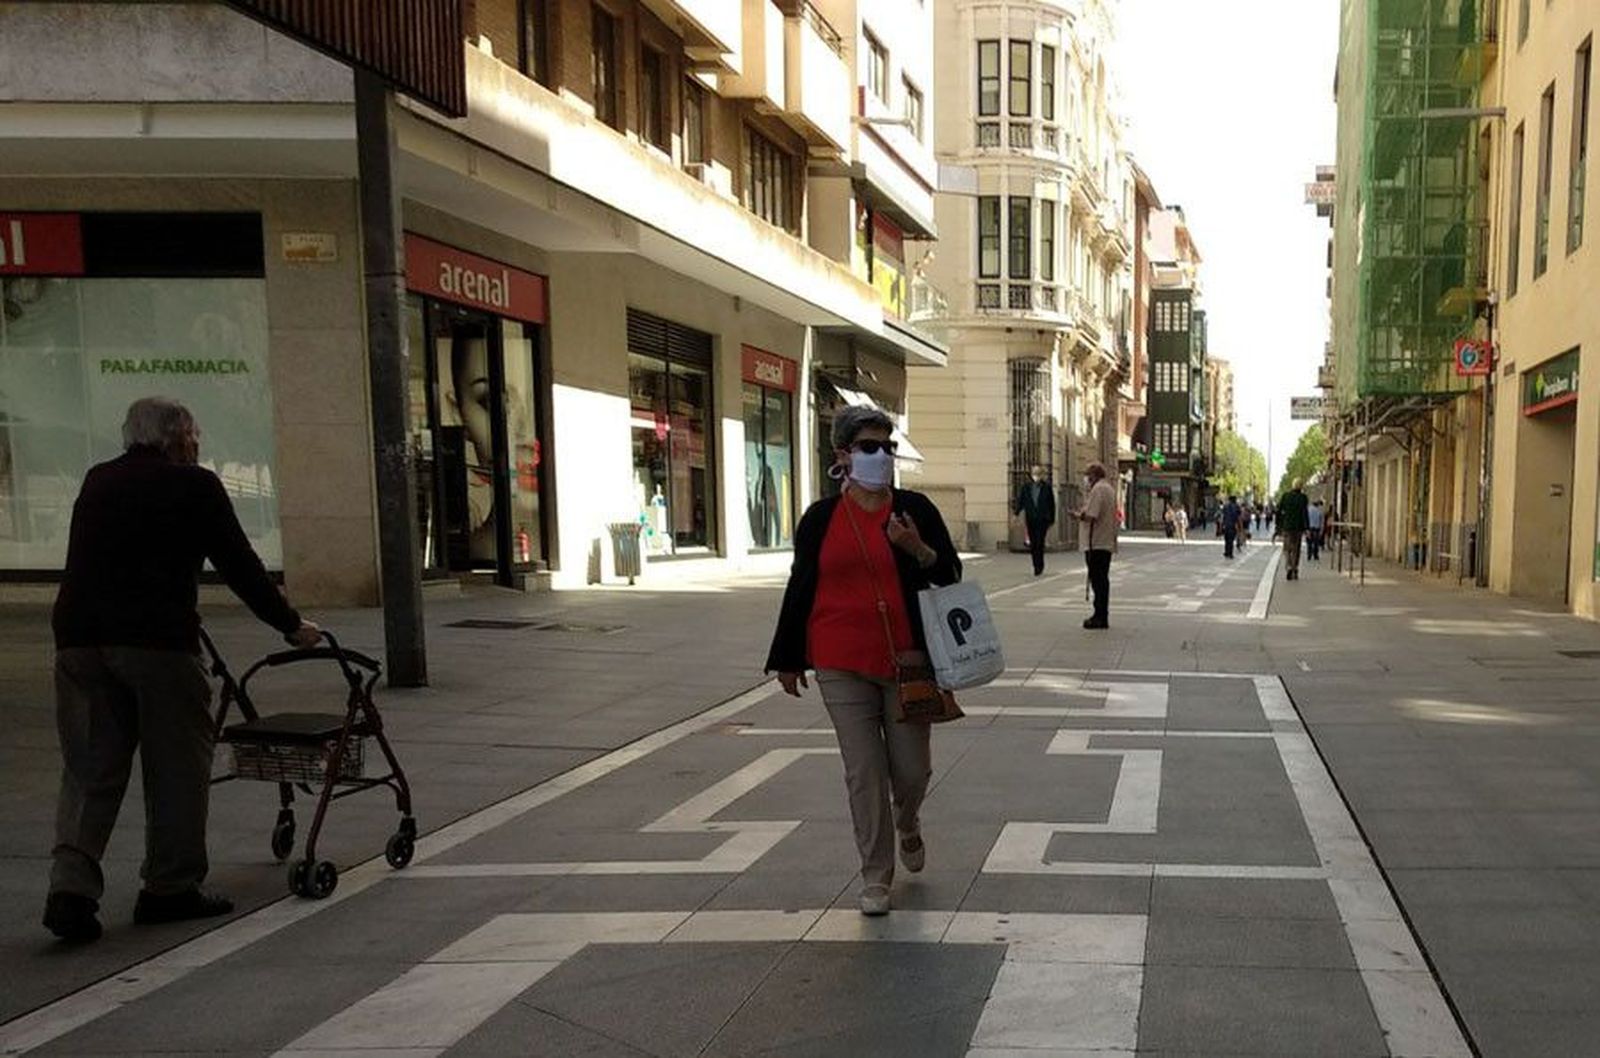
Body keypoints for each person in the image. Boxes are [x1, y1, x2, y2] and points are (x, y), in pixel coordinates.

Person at [45, 398, 320, 943]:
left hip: (79, 640)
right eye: (194, 437)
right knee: (176, 769)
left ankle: (70, 889)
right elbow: (239, 564)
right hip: (158, 644)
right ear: (176, 439)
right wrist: (290, 624)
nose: (198, 446)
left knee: (89, 768)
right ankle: (169, 888)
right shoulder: (194, 485)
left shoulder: (98, 480)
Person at [766, 406, 961, 917]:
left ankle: (909, 822)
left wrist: (916, 547)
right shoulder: (820, 519)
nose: (881, 457)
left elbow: (950, 574)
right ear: (844, 456)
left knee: (913, 770)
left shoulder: (914, 509)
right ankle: (876, 876)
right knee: (863, 772)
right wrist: (788, 658)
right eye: (869, 447)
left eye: (886, 447)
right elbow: (800, 586)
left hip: (907, 663)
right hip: (838, 659)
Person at [1074, 462, 1119, 629]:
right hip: (1105, 541)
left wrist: (1078, 515)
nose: (1086, 479)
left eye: (1087, 475)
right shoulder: (1109, 489)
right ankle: (1101, 614)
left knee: (1098, 580)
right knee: (1102, 579)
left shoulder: (1098, 490)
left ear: (1093, 475)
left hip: (1096, 541)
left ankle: (1099, 616)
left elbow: (1092, 514)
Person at [1014, 465, 1056, 576]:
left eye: (1038, 473)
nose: (1036, 476)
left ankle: (1040, 565)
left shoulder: (1046, 487)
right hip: (1031, 518)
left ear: (1042, 475)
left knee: (1040, 542)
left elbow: (1051, 504)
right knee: (1033, 543)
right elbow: (1021, 501)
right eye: (1034, 473)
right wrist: (1016, 513)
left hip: (1043, 519)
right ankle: (1035, 564)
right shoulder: (1026, 487)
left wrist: (1051, 519)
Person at [1276, 481, 1310, 581]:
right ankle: (1295, 568)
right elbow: (1305, 514)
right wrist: (1307, 528)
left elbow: (1279, 511)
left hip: (1287, 528)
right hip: (1298, 528)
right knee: (1296, 549)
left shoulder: (1285, 496)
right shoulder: (1303, 498)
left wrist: (1279, 525)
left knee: (1287, 549)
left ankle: (1289, 566)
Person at [1221, 495, 1242, 559]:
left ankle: (1226, 552)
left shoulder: (1225, 506)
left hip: (1226, 525)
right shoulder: (1236, 506)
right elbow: (1238, 517)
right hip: (1233, 525)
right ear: (1234, 500)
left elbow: (1223, 516)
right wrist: (1240, 526)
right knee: (1231, 539)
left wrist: (1222, 525)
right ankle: (1230, 553)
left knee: (1226, 539)